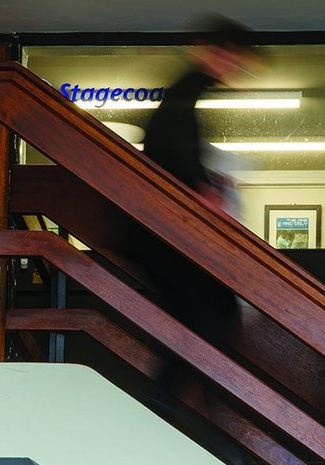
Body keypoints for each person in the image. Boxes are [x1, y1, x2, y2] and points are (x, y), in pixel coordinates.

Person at [125, 15, 261, 395]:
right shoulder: (185, 91)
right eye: (232, 59)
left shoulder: (187, 91)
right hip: (160, 232)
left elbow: (170, 147)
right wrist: (204, 187)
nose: (234, 69)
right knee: (206, 311)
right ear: (212, 50)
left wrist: (207, 182)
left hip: (161, 230)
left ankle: (176, 399)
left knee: (209, 310)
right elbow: (167, 147)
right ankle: (172, 401)